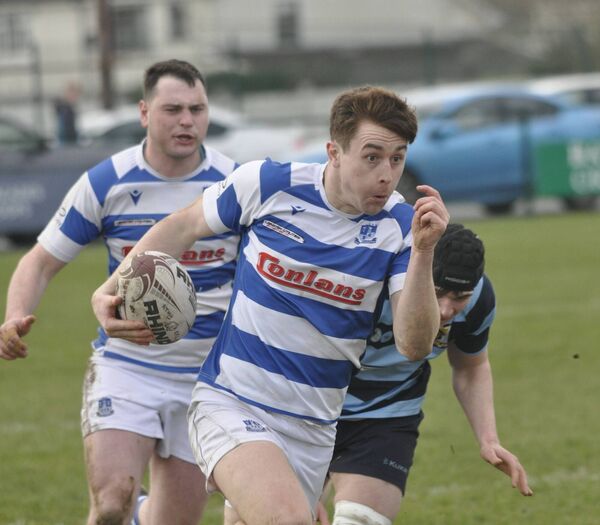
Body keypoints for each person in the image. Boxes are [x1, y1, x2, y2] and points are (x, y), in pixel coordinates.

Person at [91, 85, 450, 525]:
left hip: (314, 428)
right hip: (232, 401)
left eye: (398, 158)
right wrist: (110, 289)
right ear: (334, 152)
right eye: (372, 156)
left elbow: (414, 345)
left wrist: (424, 253)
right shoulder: (269, 184)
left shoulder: (401, 227)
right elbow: (183, 226)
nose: (386, 174)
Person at [0, 59, 240, 525]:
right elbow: (40, 260)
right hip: (128, 367)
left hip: (207, 378)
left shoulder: (235, 183)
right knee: (111, 503)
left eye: (198, 108)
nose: (188, 121)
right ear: (144, 112)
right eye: (173, 109)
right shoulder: (107, 181)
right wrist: (13, 315)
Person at [322, 224, 533, 525]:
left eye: (459, 296)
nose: (447, 309)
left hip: (387, 414)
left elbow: (470, 367)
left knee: (361, 518)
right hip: (313, 402)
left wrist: (489, 439)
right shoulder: (365, 281)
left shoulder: (478, 300)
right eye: (437, 292)